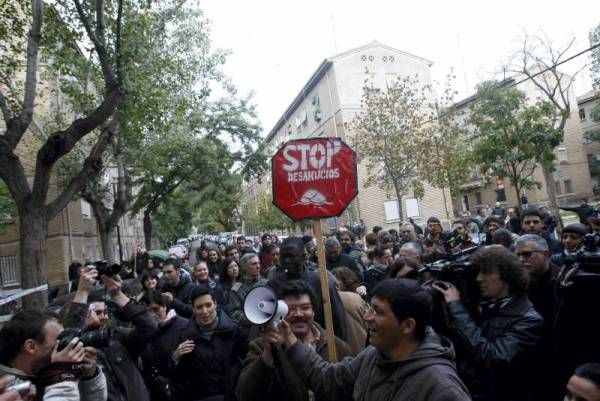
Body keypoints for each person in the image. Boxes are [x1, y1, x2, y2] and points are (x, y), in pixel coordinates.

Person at [273, 279, 471, 401]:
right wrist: (290, 340)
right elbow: (327, 381)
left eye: (378, 311)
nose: (367, 317)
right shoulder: (371, 356)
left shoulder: (441, 387)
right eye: (369, 308)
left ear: (408, 326)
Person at [433, 245, 544, 401]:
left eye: (486, 272)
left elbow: (492, 357)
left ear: (507, 275)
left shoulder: (529, 320)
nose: (479, 278)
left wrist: (456, 308)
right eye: (478, 272)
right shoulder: (483, 305)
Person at [236, 280, 352, 401]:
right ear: (279, 312)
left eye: (305, 307)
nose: (298, 314)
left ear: (313, 312)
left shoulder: (336, 345)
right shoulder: (261, 346)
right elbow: (244, 394)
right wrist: (267, 356)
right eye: (290, 309)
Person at [61, 266, 157, 401]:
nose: (104, 317)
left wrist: (118, 295)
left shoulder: (117, 337)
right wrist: (82, 291)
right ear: (84, 313)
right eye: (97, 312)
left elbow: (149, 327)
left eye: (105, 312)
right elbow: (68, 336)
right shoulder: (75, 350)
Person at [0, 308, 105, 401]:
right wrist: (62, 373)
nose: (67, 344)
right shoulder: (7, 390)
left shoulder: (44, 374)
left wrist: (89, 377)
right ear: (31, 346)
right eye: (60, 339)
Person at [170, 285, 248, 401]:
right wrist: (175, 357)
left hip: (232, 395)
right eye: (199, 307)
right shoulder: (185, 337)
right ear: (193, 309)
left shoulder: (233, 330)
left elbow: (247, 359)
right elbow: (179, 376)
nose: (204, 311)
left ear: (215, 304)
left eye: (208, 305)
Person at [269, 237, 348, 341]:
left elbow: (338, 320)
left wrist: (336, 348)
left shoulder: (322, 283)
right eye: (283, 257)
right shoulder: (273, 285)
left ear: (304, 256)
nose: (287, 261)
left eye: (292, 256)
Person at [515, 234, 561, 400]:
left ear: (546, 254)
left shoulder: (562, 280)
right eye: (518, 255)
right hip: (529, 356)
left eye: (527, 254)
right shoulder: (517, 283)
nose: (521, 259)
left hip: (557, 356)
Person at [140, 290, 189, 401]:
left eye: (156, 309)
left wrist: (174, 357)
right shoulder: (142, 331)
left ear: (165, 307)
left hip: (179, 392)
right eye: (148, 311)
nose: (152, 315)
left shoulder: (184, 326)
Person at [227, 253, 268, 337]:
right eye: (254, 264)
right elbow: (234, 313)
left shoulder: (267, 283)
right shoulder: (236, 289)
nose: (258, 266)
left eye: (258, 263)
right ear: (244, 267)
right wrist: (255, 317)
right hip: (249, 332)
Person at [332, 267, 369, 355]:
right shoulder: (357, 296)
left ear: (346, 280)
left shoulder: (340, 298)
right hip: (363, 347)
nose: (334, 283)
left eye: (337, 280)